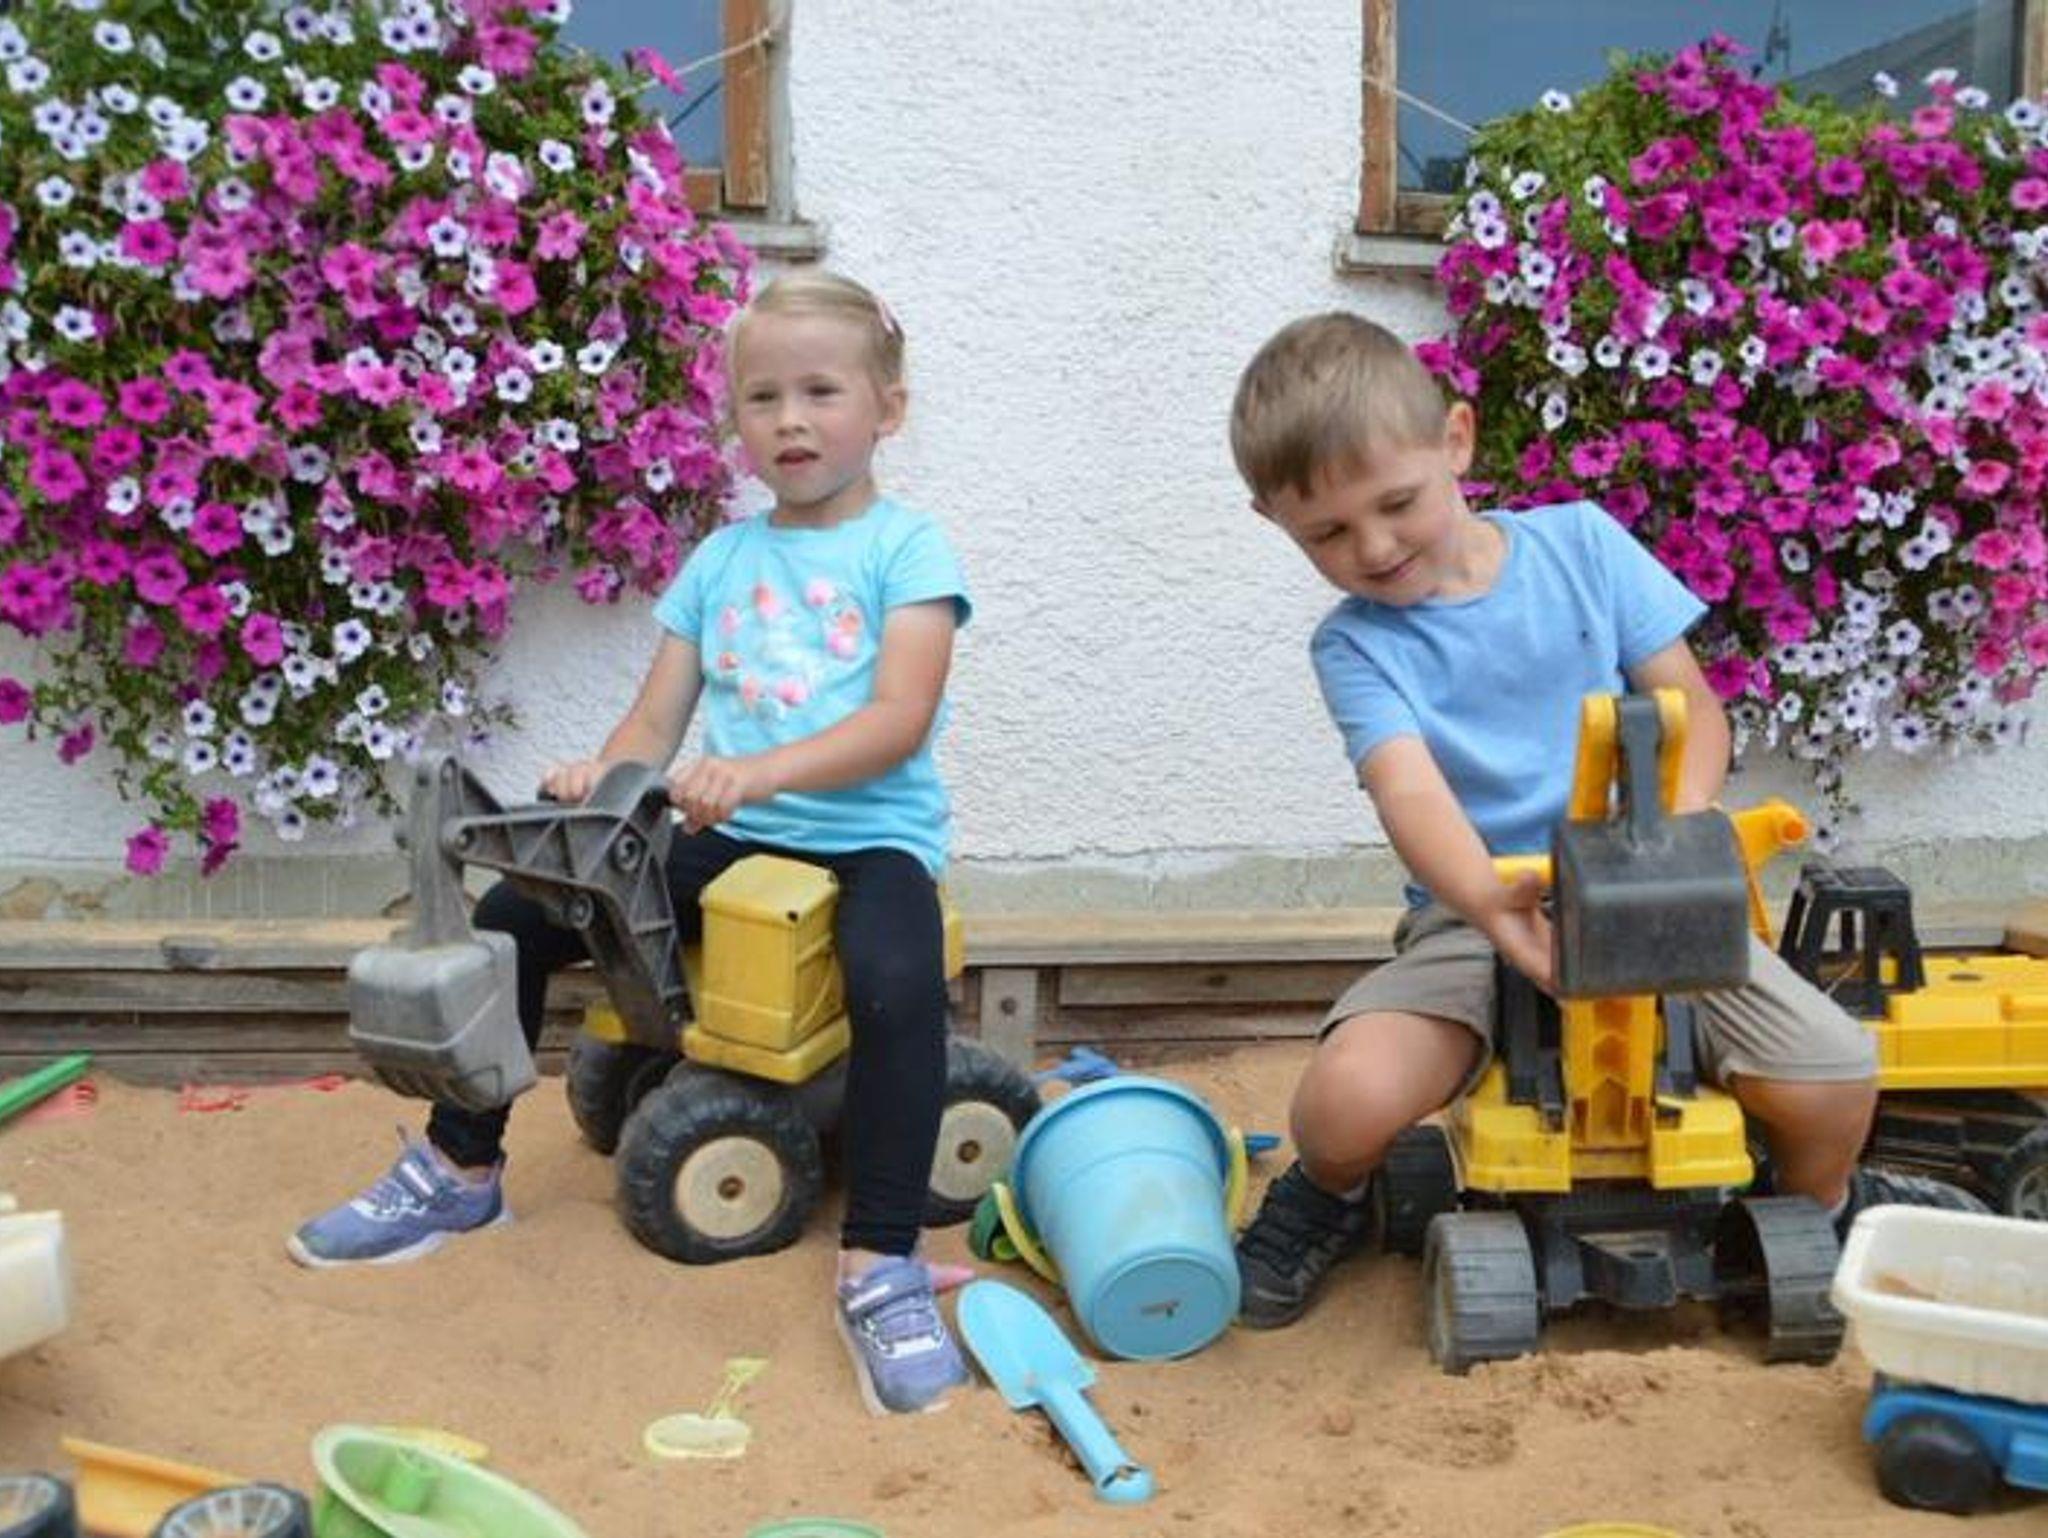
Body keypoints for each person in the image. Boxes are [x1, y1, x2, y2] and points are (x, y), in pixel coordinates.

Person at [291, 271, 975, 1415]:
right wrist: (601, 783)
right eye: (762, 397)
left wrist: (756, 768)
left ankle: (880, 1258)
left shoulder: (908, 550)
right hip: (730, 829)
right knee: (517, 913)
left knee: (894, 984)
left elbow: (896, 718)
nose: (791, 419)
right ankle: (461, 1166)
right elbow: (653, 726)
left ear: (886, 409)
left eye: (820, 391)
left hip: (868, 841)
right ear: (734, 419)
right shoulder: (720, 562)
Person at [1224, 312, 1978, 1329]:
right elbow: (1410, 794)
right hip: (1478, 909)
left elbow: (1689, 708)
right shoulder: (1356, 647)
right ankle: (1328, 1194)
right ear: (1274, 522)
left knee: (1834, 1071)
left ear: (1455, 441)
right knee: (1343, 1099)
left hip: (1649, 892)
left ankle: (1817, 1205)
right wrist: (1491, 903)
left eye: (1396, 503)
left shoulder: (1581, 544)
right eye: (1327, 533)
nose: (1375, 545)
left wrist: (1668, 839)